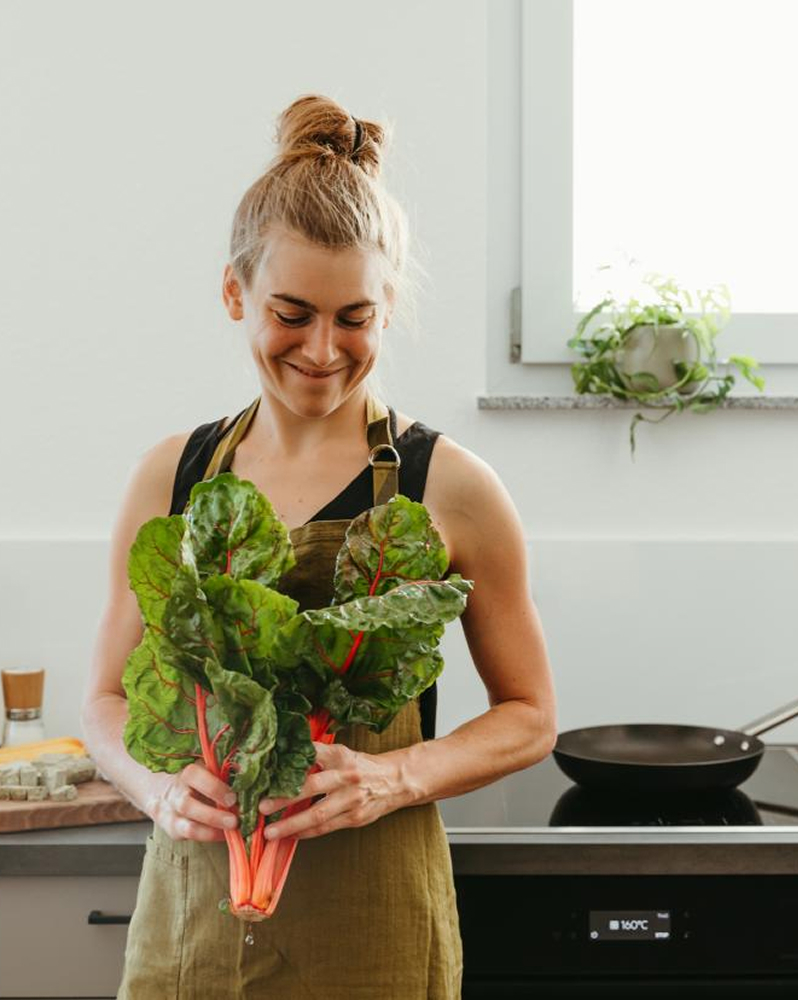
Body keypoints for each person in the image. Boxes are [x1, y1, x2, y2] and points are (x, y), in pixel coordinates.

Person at [80, 93, 558, 1000]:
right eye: (292, 312)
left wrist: (395, 775)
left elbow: (530, 716)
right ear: (236, 293)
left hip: (375, 923)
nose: (323, 349)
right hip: (192, 928)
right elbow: (105, 700)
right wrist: (158, 790)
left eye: (356, 317)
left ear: (388, 309)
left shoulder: (450, 486)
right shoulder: (170, 477)